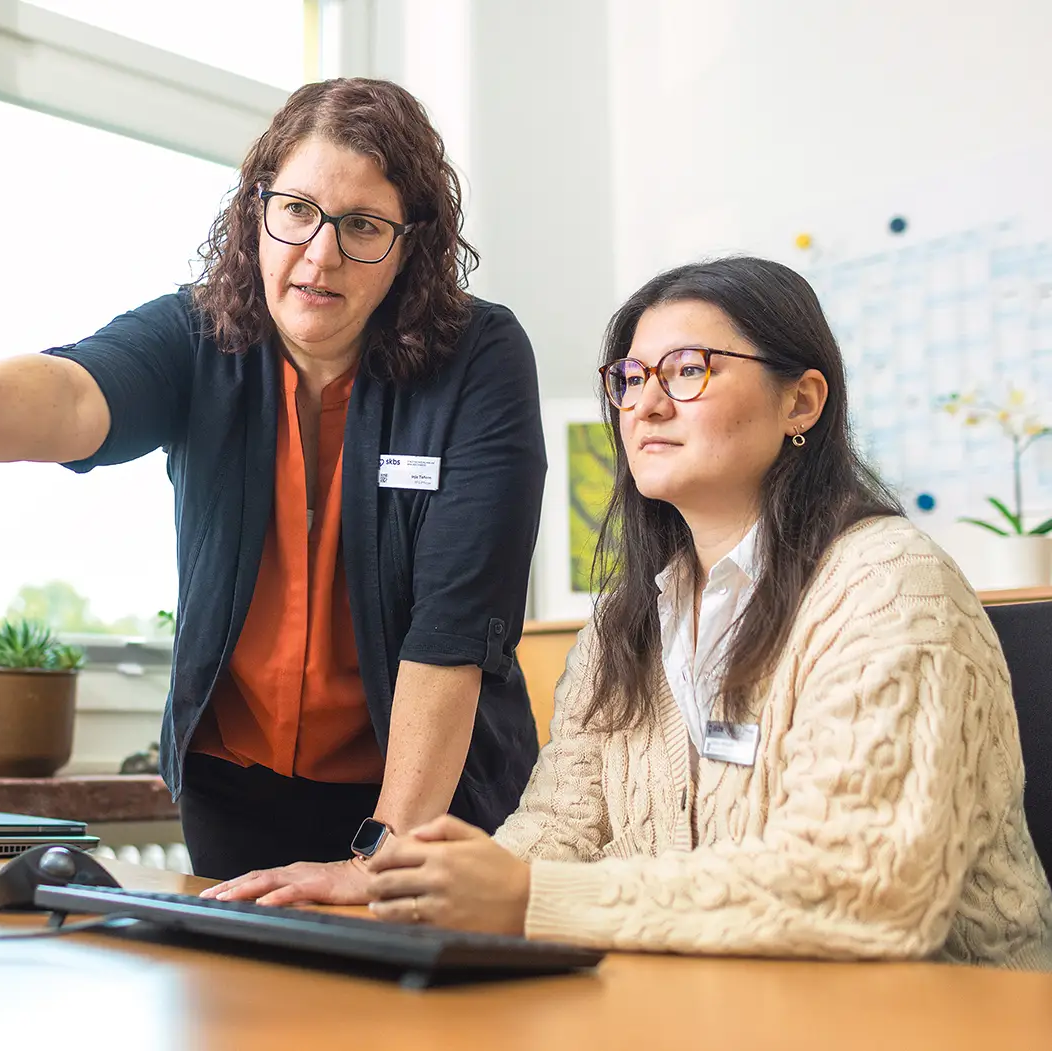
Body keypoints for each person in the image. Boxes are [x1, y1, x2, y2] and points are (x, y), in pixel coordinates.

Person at [363, 257, 1052, 969]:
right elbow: (558, 827)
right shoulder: (620, 622)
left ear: (802, 402)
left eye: (688, 369)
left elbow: (862, 889)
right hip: (706, 1011)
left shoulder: (888, 583)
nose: (646, 404)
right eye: (630, 379)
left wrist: (532, 896)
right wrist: (396, 893)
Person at [0, 78, 545, 900]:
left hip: (425, 803)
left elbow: (454, 627)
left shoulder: (478, 359)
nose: (320, 254)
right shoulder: (199, 334)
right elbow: (78, 395)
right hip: (234, 790)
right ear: (256, 210)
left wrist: (382, 867)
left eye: (364, 226)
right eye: (297, 210)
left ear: (409, 247)